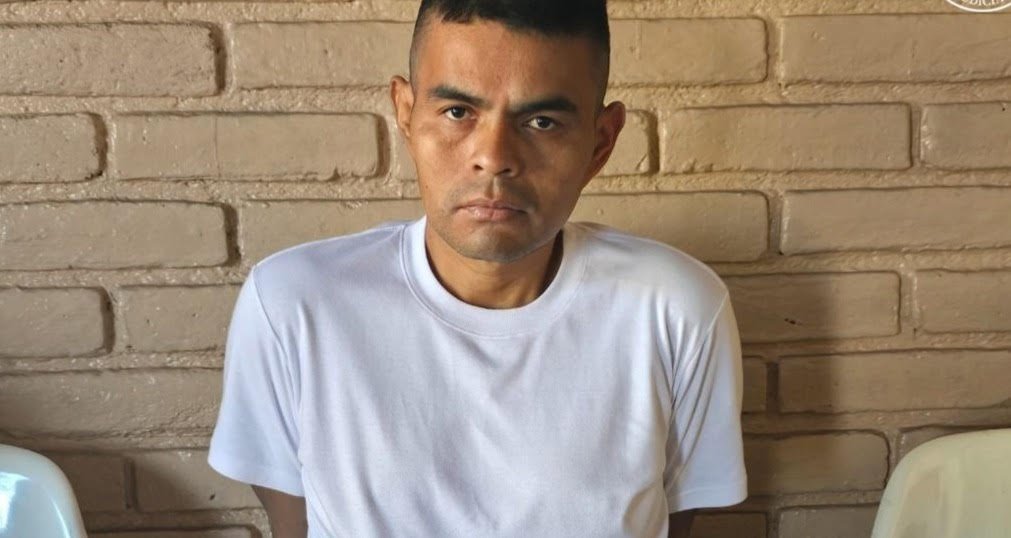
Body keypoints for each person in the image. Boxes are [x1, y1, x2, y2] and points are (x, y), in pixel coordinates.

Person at [207, 0, 748, 536]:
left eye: (541, 121)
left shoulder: (675, 309)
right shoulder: (294, 306)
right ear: (406, 113)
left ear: (599, 141)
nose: (494, 157)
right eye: (457, 112)